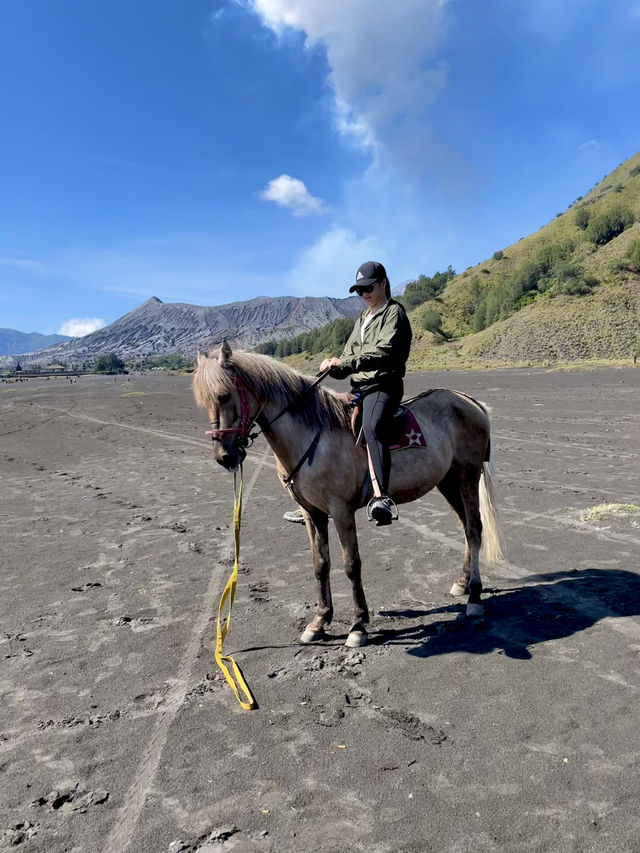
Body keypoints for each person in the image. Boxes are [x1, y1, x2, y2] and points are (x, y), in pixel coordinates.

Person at [319, 260, 412, 526]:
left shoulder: (394, 313)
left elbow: (383, 352)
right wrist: (331, 367)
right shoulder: (363, 318)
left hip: (384, 385)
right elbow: (348, 357)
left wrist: (345, 364)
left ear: (383, 283)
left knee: (372, 427)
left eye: (368, 288)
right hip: (359, 387)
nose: (364, 294)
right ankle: (325, 497)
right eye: (359, 291)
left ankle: (382, 497)